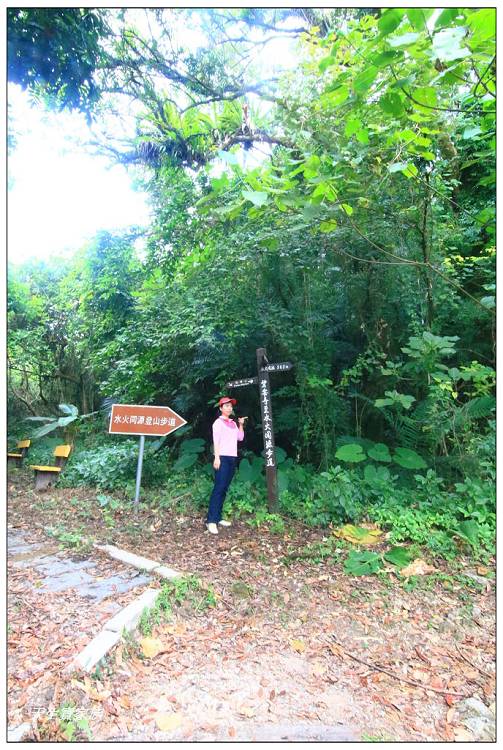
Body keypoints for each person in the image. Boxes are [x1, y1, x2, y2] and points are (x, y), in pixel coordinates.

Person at [206, 396, 246, 534]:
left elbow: (240, 438)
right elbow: (216, 441)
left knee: (224, 488)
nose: (229, 408)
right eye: (226, 406)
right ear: (221, 408)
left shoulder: (233, 423)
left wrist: (241, 424)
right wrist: (216, 458)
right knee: (218, 488)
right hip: (221, 458)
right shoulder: (218, 423)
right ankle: (211, 521)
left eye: (230, 406)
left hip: (232, 458)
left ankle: (218, 518)